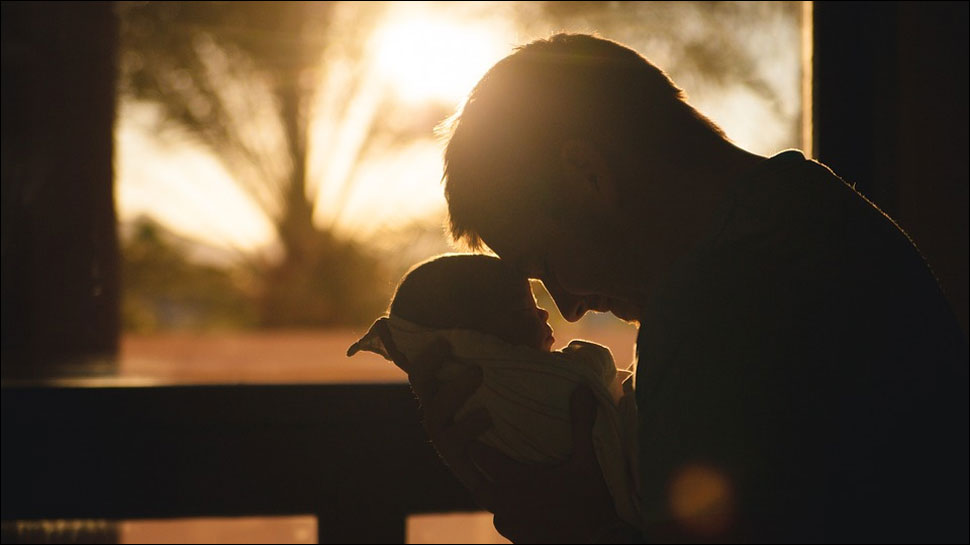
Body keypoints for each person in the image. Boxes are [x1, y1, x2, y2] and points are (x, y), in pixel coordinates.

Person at [401, 33, 968, 543]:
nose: (568, 307)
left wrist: (571, 526)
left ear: (587, 175)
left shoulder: (715, 301)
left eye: (544, 261)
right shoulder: (821, 216)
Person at [347, 254, 641, 528]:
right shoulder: (513, 388)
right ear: (473, 341)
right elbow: (595, 371)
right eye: (524, 308)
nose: (547, 312)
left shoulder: (469, 410)